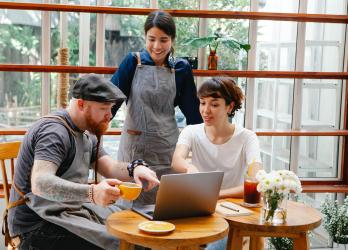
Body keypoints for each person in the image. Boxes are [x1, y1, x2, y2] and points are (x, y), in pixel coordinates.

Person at [6, 74, 160, 250]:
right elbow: (40, 183)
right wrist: (92, 192)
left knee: (137, 229)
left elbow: (111, 167)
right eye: (104, 108)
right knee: (126, 244)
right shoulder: (54, 133)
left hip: (67, 213)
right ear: (81, 104)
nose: (110, 115)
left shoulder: (86, 132)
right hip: (36, 226)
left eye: (111, 108)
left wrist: (136, 168)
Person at [110, 10, 202, 205]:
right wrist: (90, 134)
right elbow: (111, 103)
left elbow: (194, 116)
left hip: (167, 149)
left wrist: (205, 147)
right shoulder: (132, 62)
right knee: (130, 211)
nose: (157, 46)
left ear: (172, 40)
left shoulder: (181, 68)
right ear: (145, 37)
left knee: (166, 208)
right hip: (134, 151)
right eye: (151, 39)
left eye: (164, 40)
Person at [172, 77, 262, 198]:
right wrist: (189, 167)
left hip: (234, 205)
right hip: (200, 201)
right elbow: (177, 160)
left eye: (214, 104)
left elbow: (256, 180)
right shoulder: (191, 131)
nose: (206, 111)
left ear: (229, 107)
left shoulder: (247, 137)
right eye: (203, 103)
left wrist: (215, 195)